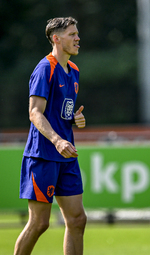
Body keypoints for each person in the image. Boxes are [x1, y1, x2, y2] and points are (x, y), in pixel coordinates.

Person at [14, 17, 87, 255]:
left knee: (77, 219)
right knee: (39, 223)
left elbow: (60, 112)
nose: (78, 38)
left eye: (77, 34)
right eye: (72, 34)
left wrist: (75, 119)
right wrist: (56, 140)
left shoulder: (73, 70)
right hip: (43, 154)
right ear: (56, 39)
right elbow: (35, 113)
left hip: (66, 155)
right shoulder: (46, 68)